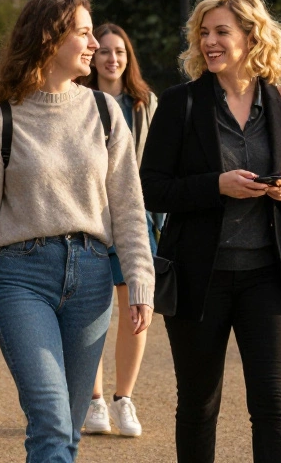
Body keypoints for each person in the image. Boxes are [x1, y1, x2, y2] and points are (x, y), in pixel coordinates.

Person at [0, 0, 155, 463]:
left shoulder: (106, 115)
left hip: (91, 279)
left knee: (67, 430)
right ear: (50, 38)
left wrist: (141, 281)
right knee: (49, 420)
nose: (94, 44)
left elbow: (128, 207)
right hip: (21, 279)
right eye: (84, 33)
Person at [140, 0, 281, 462]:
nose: (209, 42)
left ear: (252, 37)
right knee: (199, 404)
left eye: (221, 32)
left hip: (268, 276)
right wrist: (216, 185)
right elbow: (151, 188)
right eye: (203, 33)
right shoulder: (181, 104)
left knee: (274, 406)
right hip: (199, 277)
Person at [80, 22, 161, 437]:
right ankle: (93, 401)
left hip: (135, 219)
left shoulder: (145, 104)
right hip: (91, 219)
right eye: (105, 51)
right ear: (92, 57)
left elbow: (157, 167)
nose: (112, 59)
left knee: (137, 312)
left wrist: (157, 221)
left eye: (120, 52)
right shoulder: (78, 100)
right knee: (91, 312)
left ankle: (123, 398)